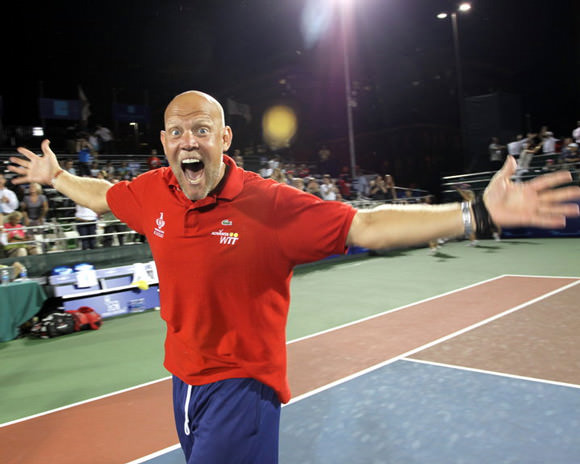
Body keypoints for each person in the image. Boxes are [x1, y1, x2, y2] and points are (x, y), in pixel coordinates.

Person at [9, 90, 580, 464]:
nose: (189, 140)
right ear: (163, 143)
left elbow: (367, 225)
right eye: (177, 132)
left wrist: (474, 214)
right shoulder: (151, 191)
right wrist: (56, 176)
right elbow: (103, 195)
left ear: (224, 139)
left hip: (242, 385)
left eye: (201, 129)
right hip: (183, 380)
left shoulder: (269, 205)